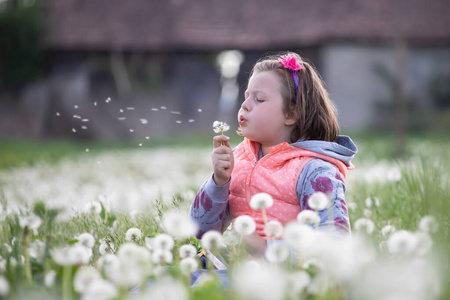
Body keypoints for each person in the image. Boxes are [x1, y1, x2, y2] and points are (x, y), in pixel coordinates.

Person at [190, 52, 357, 257]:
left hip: (284, 280)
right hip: (231, 269)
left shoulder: (314, 170)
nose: (245, 105)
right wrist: (218, 183)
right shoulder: (238, 158)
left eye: (259, 99)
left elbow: (333, 246)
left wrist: (265, 250)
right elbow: (199, 232)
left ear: (291, 114)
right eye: (246, 97)